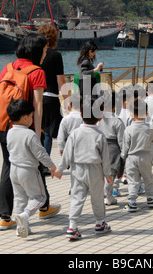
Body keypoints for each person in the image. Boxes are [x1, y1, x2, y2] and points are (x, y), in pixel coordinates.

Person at [0, 33, 59, 231]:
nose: (45, 54)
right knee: (32, 166)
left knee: (9, 166)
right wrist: (37, 133)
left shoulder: (8, 67)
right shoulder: (37, 71)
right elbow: (38, 106)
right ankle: (42, 206)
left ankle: (6, 217)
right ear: (37, 51)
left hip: (4, 126)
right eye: (44, 51)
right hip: (25, 129)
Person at [55, 96, 113, 241]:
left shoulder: (74, 134)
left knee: (77, 198)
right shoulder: (100, 135)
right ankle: (100, 223)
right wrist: (108, 174)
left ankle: (72, 226)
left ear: (81, 114)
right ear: (100, 118)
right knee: (97, 198)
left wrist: (60, 170)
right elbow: (105, 158)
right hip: (95, 170)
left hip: (77, 170)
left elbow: (67, 155)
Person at [6, 99, 60, 238]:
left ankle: (21, 227)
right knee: (40, 197)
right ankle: (25, 215)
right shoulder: (29, 134)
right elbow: (41, 154)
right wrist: (53, 167)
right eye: (31, 116)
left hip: (14, 170)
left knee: (19, 198)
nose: (32, 119)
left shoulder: (10, 133)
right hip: (28, 171)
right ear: (25, 117)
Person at [122, 98, 153, 212]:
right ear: (146, 113)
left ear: (131, 113)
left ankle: (132, 202)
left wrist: (123, 156)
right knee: (148, 177)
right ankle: (150, 198)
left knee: (133, 180)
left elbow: (125, 146)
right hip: (146, 157)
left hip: (131, 158)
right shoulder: (149, 128)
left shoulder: (128, 129)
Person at [37, 24, 68, 155]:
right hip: (51, 97)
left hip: (36, 95)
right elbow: (60, 81)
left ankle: (38, 163)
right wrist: (67, 99)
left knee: (39, 130)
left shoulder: (36, 55)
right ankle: (45, 164)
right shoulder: (56, 55)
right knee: (49, 132)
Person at [97, 90, 125, 206]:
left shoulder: (97, 120)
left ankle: (105, 196)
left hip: (99, 147)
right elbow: (122, 141)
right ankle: (107, 195)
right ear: (115, 106)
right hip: (113, 149)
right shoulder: (118, 122)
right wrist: (124, 154)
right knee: (111, 174)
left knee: (101, 174)